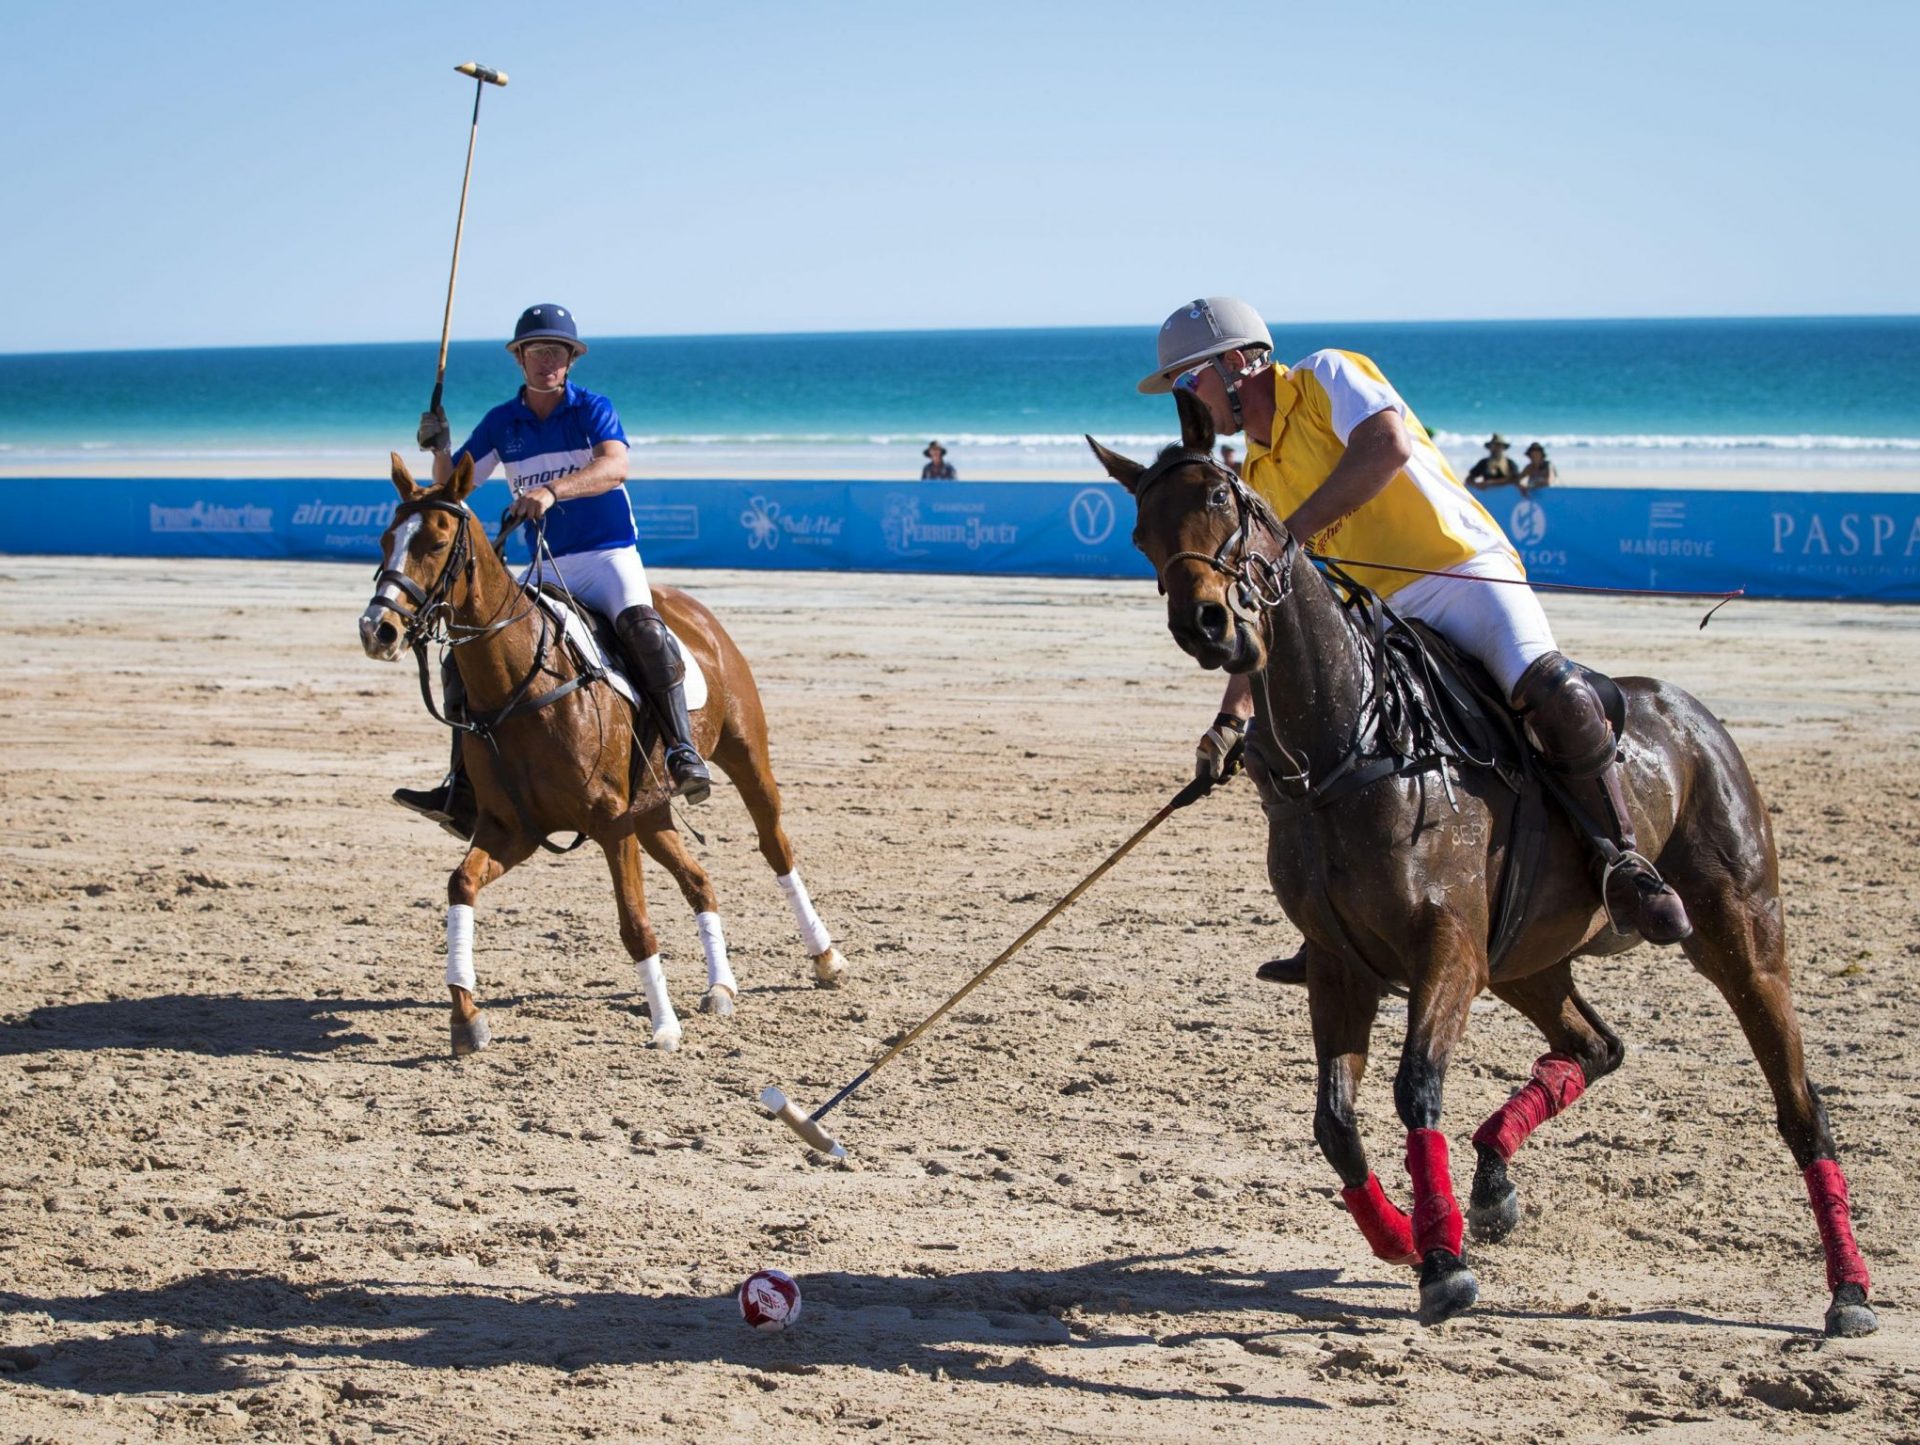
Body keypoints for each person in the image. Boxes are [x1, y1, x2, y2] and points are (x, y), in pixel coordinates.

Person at [1138, 297, 1691, 976]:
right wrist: (1230, 719)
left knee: (1548, 688)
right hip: (1382, 623)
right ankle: (1335, 927)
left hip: (1461, 572)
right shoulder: (1252, 477)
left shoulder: (1324, 377)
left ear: (1234, 363)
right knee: (1308, 742)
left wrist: (1291, 538)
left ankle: (1626, 866)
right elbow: (1266, 610)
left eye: (1187, 381)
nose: (1186, 402)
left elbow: (1387, 446)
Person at [398, 303, 710, 836]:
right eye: (537, 350)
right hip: (545, 563)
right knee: (467, 651)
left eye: (558, 351)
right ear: (519, 359)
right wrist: (442, 445)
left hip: (607, 555)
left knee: (643, 630)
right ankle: (462, 787)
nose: (548, 360)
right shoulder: (503, 422)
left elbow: (615, 465)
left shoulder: (592, 409)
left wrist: (551, 490)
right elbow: (454, 489)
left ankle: (682, 750)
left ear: (571, 360)